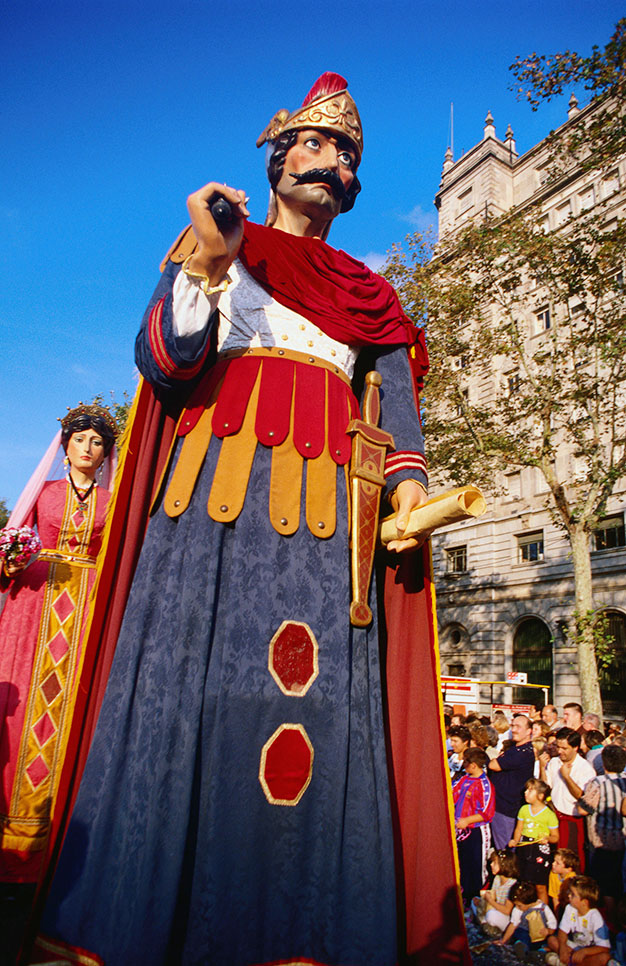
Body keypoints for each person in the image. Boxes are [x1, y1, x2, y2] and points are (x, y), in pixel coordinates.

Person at [33, 74, 464, 966]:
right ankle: (139, 923)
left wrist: (411, 489)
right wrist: (205, 260)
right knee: (178, 704)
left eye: (348, 153)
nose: (334, 162)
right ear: (277, 156)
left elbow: (399, 413)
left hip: (322, 530)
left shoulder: (369, 292)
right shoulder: (221, 239)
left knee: (305, 716)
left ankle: (295, 932)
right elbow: (165, 359)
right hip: (206, 509)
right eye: (317, 145)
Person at [0, 404, 117, 883]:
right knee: (26, 712)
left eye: (98, 444)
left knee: (75, 712)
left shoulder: (113, 502)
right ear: (65, 447)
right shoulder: (43, 493)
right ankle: (13, 848)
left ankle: (61, 844)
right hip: (34, 603)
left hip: (86, 607)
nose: (89, 450)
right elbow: (13, 544)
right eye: (81, 440)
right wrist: (9, 561)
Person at [578, 745, 626, 909]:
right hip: (622, 841)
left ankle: (608, 922)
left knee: (604, 885)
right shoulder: (625, 781)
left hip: (601, 841)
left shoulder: (598, 782)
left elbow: (583, 809)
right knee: (618, 883)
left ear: (604, 763)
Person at [541, 727, 596, 871]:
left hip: (572, 820)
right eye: (558, 747)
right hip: (553, 817)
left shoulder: (585, 769)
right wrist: (542, 767)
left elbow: (582, 797)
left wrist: (566, 777)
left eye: (564, 748)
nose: (560, 751)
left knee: (570, 862)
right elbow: (546, 787)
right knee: (553, 861)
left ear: (575, 747)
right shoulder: (554, 762)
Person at [453, 747, 495, 902]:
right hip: (460, 831)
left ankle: (477, 899)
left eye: (466, 762)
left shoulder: (485, 785)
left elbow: (486, 812)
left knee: (477, 866)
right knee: (462, 864)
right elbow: (452, 795)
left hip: (476, 831)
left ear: (474, 765)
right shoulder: (463, 779)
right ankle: (464, 898)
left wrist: (467, 821)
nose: (463, 765)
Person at [488, 713, 535, 848]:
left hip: (506, 809)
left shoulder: (522, 753)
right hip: (502, 806)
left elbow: (494, 765)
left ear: (528, 731)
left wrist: (496, 760)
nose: (514, 729)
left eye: (518, 727)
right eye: (513, 726)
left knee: (505, 850)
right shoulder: (516, 749)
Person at [508, 778, 559, 904]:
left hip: (539, 851)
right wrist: (515, 840)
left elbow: (555, 837)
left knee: (540, 885)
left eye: (530, 790)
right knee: (523, 882)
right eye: (526, 790)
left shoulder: (549, 815)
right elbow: (519, 828)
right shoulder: (524, 810)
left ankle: (543, 914)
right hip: (524, 849)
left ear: (540, 796)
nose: (525, 792)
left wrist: (547, 839)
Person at [545, 875, 611, 966]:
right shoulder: (570, 908)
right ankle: (569, 961)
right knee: (552, 940)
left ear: (584, 902)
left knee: (604, 958)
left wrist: (584, 952)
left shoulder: (595, 917)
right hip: (573, 947)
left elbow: (604, 947)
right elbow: (562, 931)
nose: (569, 896)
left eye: (573, 894)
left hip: (589, 951)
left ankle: (566, 962)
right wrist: (563, 948)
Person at [495, 880, 556, 956]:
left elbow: (553, 924)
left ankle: (541, 951)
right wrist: (503, 940)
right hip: (526, 933)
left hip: (540, 935)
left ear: (529, 902)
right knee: (520, 933)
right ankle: (522, 948)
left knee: (550, 940)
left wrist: (549, 931)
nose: (517, 907)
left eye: (519, 905)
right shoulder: (518, 910)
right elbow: (513, 924)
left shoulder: (543, 908)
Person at [471, 848, 518, 936]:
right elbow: (493, 897)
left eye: (495, 863)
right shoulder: (497, 879)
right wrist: (482, 900)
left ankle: (488, 926)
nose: (491, 864)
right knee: (474, 901)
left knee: (491, 915)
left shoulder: (512, 885)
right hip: (495, 908)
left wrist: (490, 901)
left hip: (505, 917)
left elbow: (507, 911)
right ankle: (485, 925)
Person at [548, 848, 580, 920]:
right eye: (554, 861)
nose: (553, 864)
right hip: (561, 905)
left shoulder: (572, 879)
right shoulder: (553, 874)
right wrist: (557, 918)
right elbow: (555, 897)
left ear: (568, 869)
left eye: (557, 863)